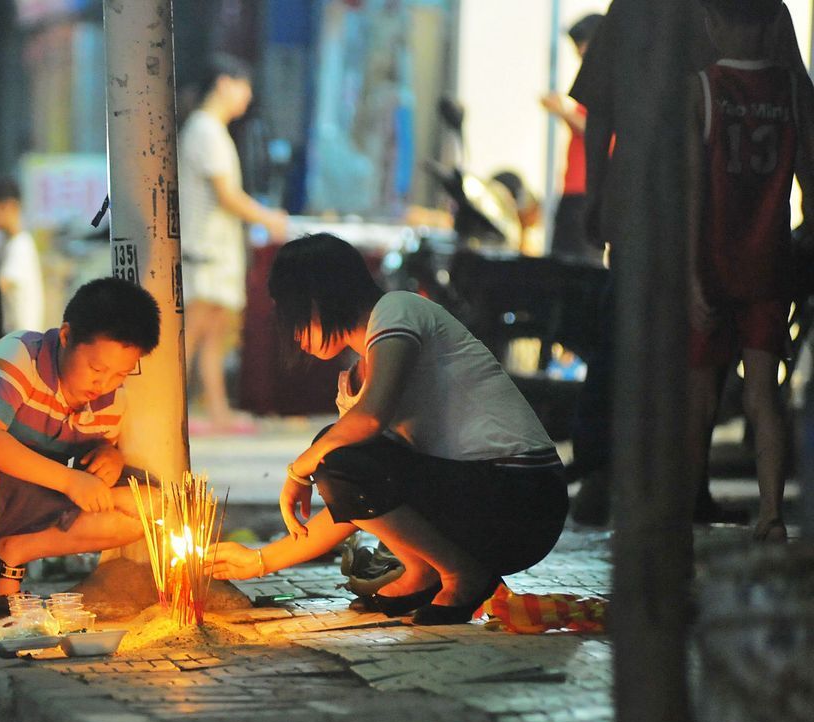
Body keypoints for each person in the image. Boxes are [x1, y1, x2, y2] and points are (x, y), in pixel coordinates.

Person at [209, 234, 568, 625]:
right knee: (335, 450)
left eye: (292, 314)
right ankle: (427, 569)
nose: (293, 332)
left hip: (525, 501)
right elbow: (356, 504)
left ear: (318, 298)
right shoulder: (357, 377)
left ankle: (460, 574)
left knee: (335, 450)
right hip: (479, 506)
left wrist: (299, 470)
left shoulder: (397, 311)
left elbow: (369, 421)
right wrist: (259, 561)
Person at [566, 0, 812, 526]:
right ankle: (669, 487)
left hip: (652, 207)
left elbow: (599, 108)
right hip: (738, 229)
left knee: (641, 342)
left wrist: (595, 197)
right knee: (711, 367)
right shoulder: (761, 12)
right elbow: (803, 114)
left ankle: (624, 477)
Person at [0, 277, 162, 631]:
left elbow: (99, 453)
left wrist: (109, 457)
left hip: (28, 505)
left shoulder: (111, 400)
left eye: (120, 373)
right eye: (97, 368)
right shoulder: (20, 356)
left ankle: (11, 555)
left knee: (147, 505)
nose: (103, 384)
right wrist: (71, 480)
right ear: (66, 336)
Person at [687, 0, 814, 542]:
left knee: (699, 397)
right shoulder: (791, 93)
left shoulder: (704, 88)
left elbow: (691, 190)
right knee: (765, 395)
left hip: (712, 266)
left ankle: (682, 503)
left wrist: (690, 276)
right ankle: (771, 514)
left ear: (713, 23)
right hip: (767, 269)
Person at [178, 53, 289, 434]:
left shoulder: (209, 129)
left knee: (212, 335)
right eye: (244, 87)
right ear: (225, 83)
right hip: (205, 249)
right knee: (194, 333)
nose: (247, 96)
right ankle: (179, 412)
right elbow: (227, 195)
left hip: (213, 249)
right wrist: (268, 217)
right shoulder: (205, 130)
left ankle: (216, 410)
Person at [541, 12, 605, 263]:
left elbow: (598, 131)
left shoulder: (607, 83)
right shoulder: (595, 83)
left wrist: (563, 111)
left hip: (585, 192)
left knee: (577, 268)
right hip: (576, 191)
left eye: (582, 45)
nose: (579, 52)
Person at [0, 176, 45, 333]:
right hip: (12, 336)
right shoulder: (4, 240)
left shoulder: (21, 245)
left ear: (9, 207)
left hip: (22, 341)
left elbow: (0, 283)